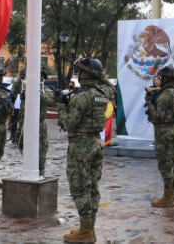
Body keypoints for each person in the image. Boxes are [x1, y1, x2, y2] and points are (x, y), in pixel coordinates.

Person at [55, 57, 116, 243]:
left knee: (80, 187)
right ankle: (88, 227)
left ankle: (86, 231)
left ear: (85, 75)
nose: (78, 75)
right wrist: (99, 76)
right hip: (95, 144)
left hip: (80, 146)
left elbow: (68, 123)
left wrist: (60, 105)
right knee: (92, 186)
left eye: (80, 71)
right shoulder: (103, 92)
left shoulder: (82, 97)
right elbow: (108, 86)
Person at [145, 65, 174, 208]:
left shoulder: (166, 94)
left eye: (162, 77)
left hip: (163, 131)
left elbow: (158, 116)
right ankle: (170, 195)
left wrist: (150, 103)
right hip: (173, 129)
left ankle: (168, 197)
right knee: (172, 162)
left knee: (165, 164)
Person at [12, 67, 54, 178]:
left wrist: (35, 90)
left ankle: (40, 174)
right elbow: (14, 90)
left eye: (40, 77)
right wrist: (21, 79)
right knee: (22, 146)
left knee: (41, 151)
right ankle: (28, 168)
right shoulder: (24, 88)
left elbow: (47, 99)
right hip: (24, 123)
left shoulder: (47, 90)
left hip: (39, 125)